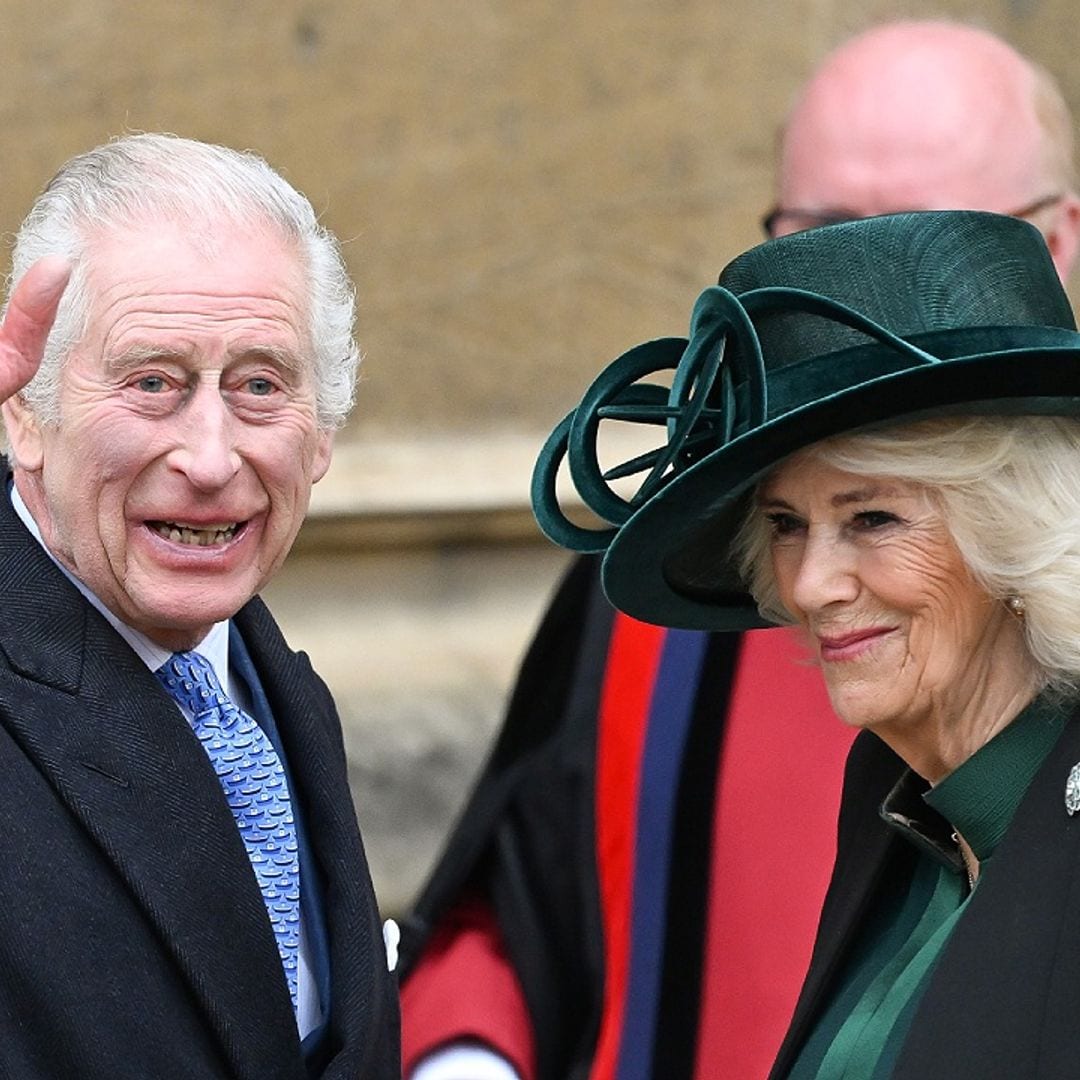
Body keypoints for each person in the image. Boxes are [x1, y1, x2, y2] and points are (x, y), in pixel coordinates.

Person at [397, 19, 1080, 1080]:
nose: (813, 582)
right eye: (818, 229)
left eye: (912, 235)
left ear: (1057, 239)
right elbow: (519, 889)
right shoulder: (667, 578)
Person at [535, 207, 1080, 1077]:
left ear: (1014, 532)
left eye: (872, 517)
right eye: (786, 525)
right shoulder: (898, 804)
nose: (809, 584)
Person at [0, 133, 399, 1078]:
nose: (211, 459)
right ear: (25, 412)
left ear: (323, 433)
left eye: (260, 386)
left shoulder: (272, 690)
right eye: (152, 383)